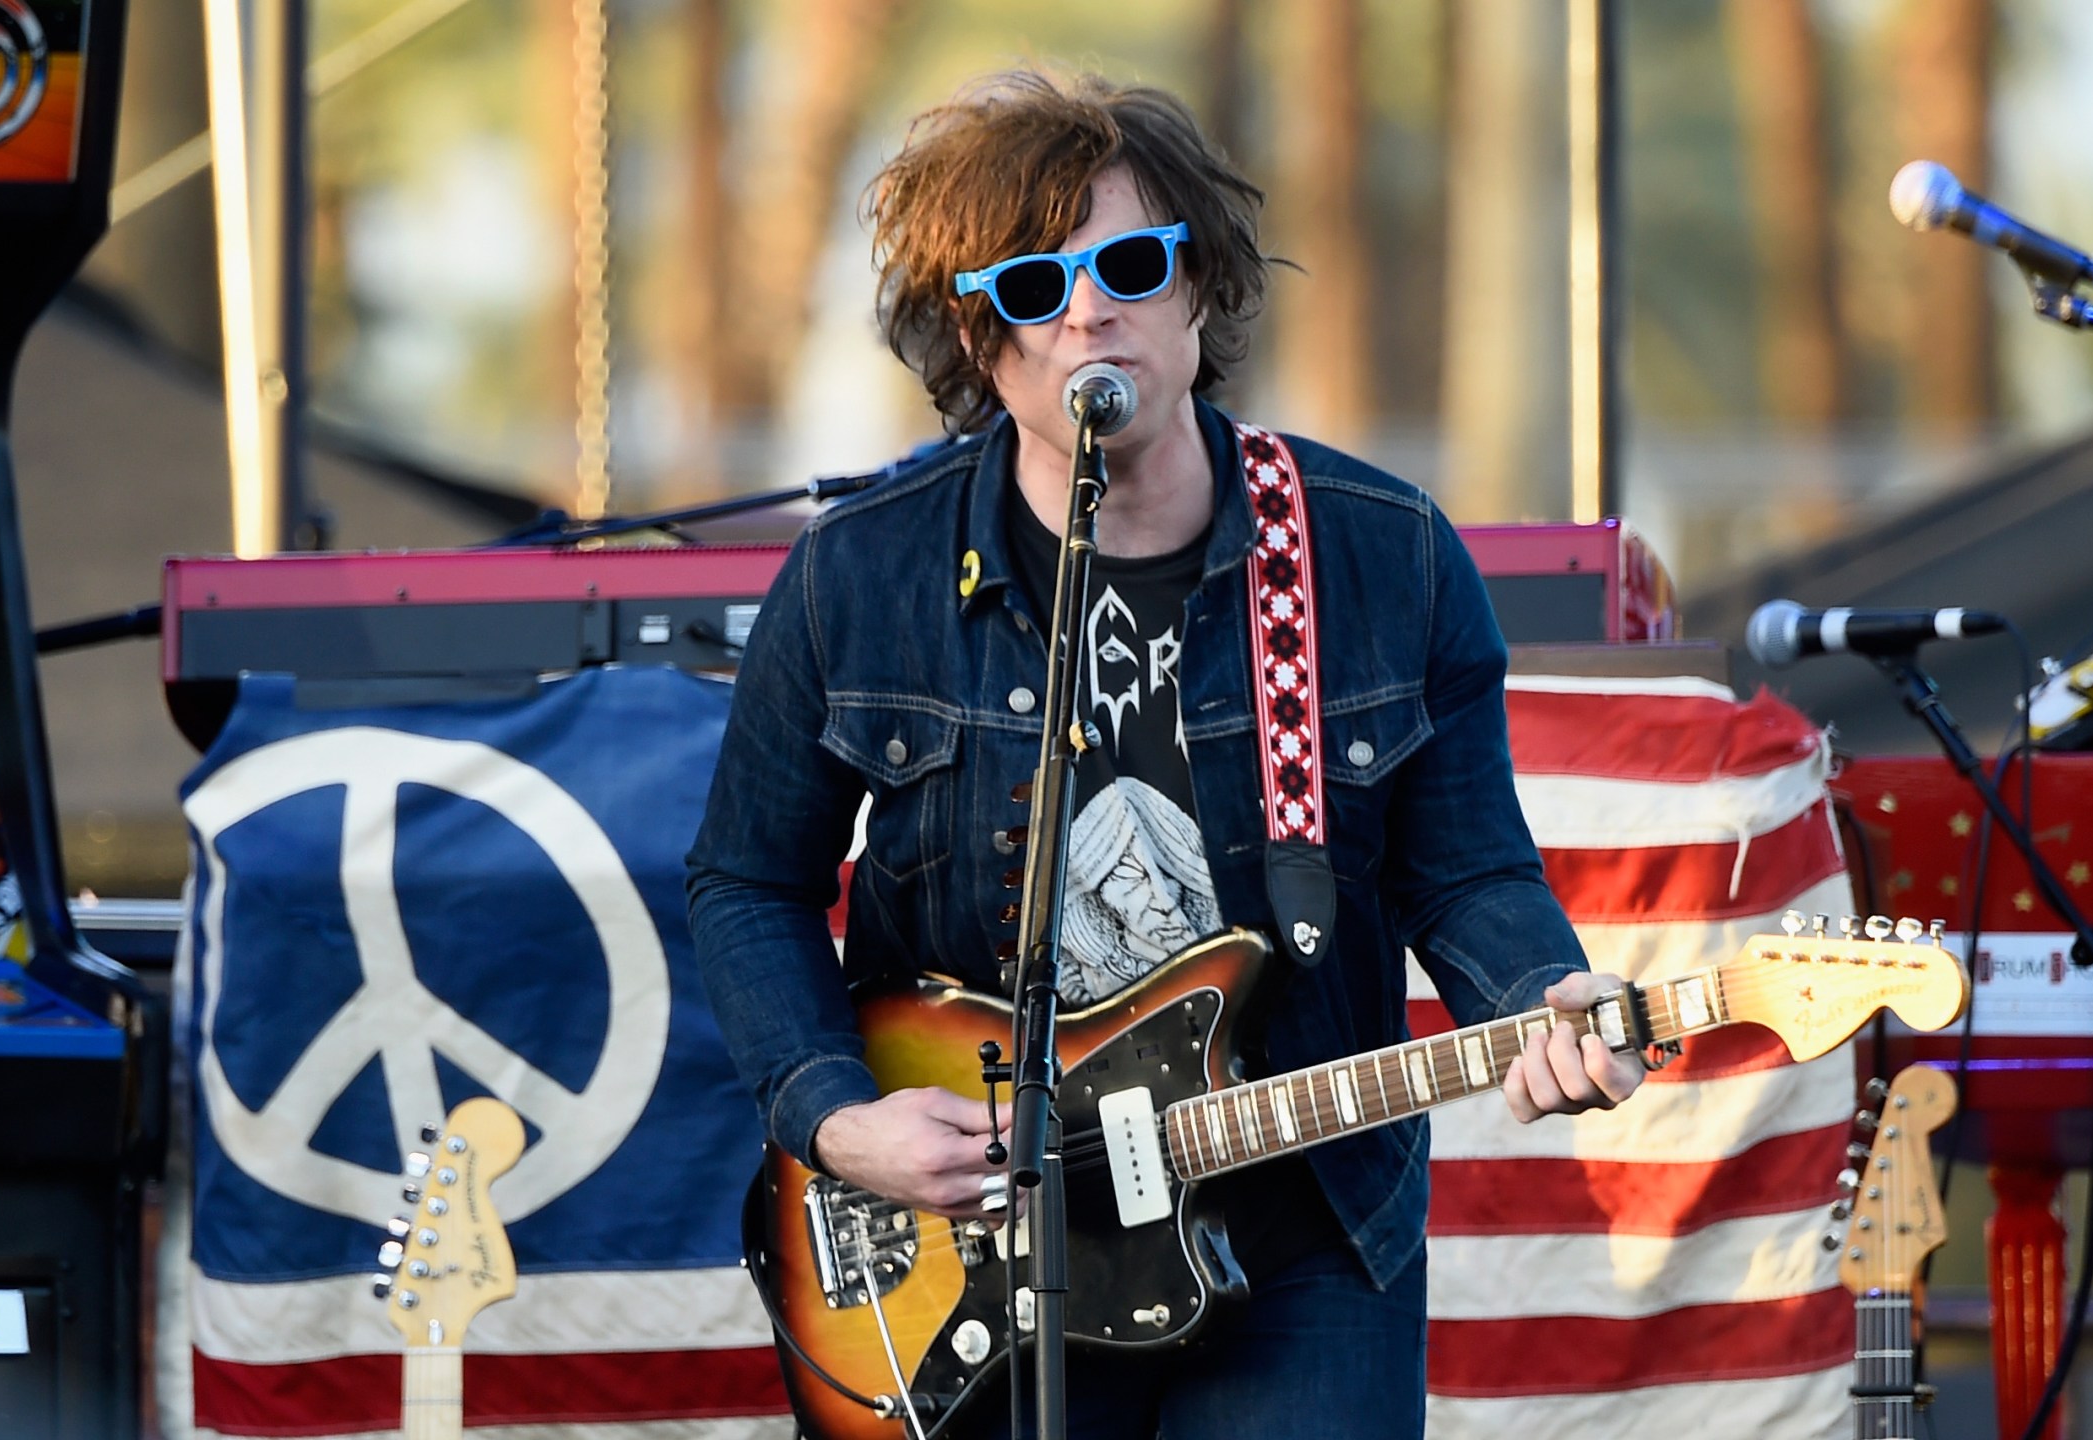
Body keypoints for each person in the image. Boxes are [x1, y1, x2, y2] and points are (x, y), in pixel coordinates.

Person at [685, 70, 1643, 1440]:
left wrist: (1547, 990)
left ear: (1201, 292)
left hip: (1297, 1230)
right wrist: (838, 1119)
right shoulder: (860, 578)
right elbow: (747, 881)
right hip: (973, 1242)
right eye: (1033, 286)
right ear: (982, 339)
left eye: (1131, 264)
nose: (1088, 310)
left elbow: (1465, 868)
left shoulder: (1379, 552)